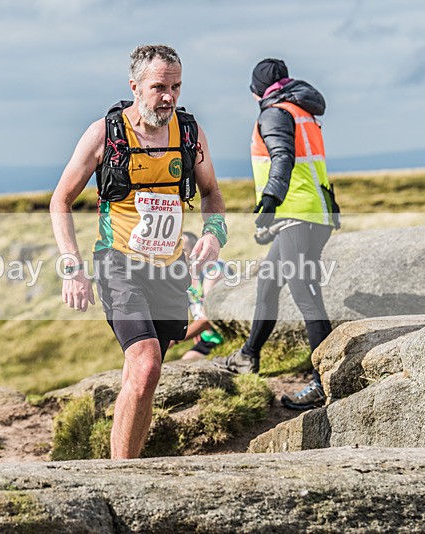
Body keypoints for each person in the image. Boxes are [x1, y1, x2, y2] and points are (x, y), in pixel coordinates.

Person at [50, 45, 227, 459]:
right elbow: (61, 200)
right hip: (118, 264)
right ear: (134, 86)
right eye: (159, 87)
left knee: (145, 375)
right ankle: (123, 475)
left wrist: (214, 233)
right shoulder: (104, 135)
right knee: (146, 366)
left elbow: (212, 193)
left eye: (176, 86)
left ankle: (123, 464)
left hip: (170, 272)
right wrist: (72, 268)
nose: (169, 96)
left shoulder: (189, 133)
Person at [213, 59, 339, 411]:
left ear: (256, 90)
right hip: (310, 213)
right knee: (268, 283)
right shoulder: (302, 110)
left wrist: (270, 201)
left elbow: (282, 158)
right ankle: (248, 356)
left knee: (305, 295)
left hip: (297, 217)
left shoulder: (272, 113)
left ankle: (323, 383)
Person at [169, 232, 226, 361]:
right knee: (183, 362)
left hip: (227, 334)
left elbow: (208, 319)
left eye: (182, 250)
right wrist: (197, 328)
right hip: (209, 337)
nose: (176, 255)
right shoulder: (183, 278)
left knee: (184, 365)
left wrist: (175, 340)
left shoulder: (212, 273)